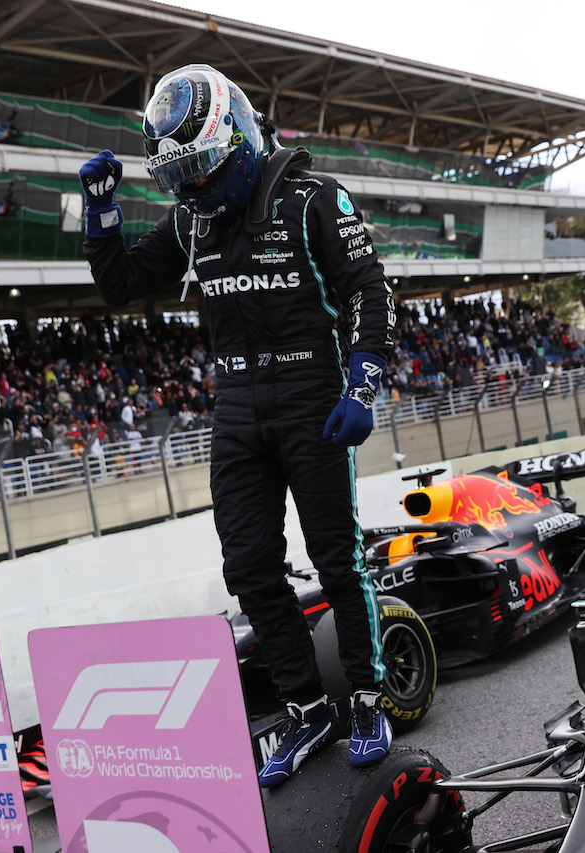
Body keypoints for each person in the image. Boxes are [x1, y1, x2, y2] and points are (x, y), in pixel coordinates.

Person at [78, 63, 396, 787]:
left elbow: (369, 289)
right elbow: (121, 282)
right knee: (248, 567)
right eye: (176, 171)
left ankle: (369, 702)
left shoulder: (314, 196)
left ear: (235, 135)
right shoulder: (191, 218)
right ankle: (306, 706)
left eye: (197, 164)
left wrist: (364, 382)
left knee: (338, 558)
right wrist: (100, 212)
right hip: (238, 407)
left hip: (315, 399)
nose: (190, 184)